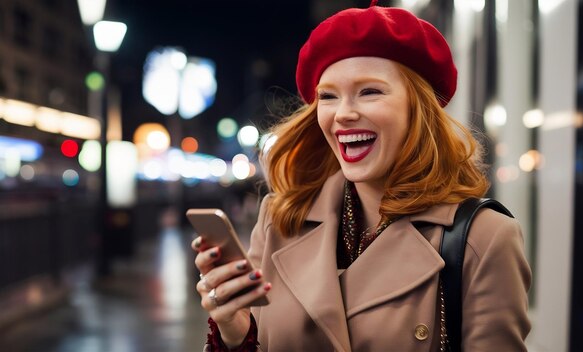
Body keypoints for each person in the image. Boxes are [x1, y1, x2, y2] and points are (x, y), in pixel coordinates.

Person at [192, 1, 531, 351]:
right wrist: (234, 329)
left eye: (370, 92)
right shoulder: (279, 219)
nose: (343, 114)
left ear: (419, 109)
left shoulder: (486, 238)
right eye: (328, 96)